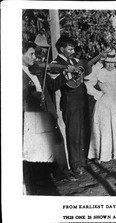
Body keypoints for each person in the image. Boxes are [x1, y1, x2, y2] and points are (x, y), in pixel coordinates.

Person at [22, 41, 72, 194]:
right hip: (32, 115)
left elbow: (52, 86)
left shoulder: (35, 70)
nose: (34, 58)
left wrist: (65, 74)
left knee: (56, 140)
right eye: (31, 54)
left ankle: (60, 173)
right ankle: (40, 182)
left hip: (45, 111)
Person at [48, 35, 90, 176]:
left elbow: (85, 71)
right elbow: (52, 85)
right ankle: (75, 165)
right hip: (70, 102)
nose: (73, 51)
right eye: (70, 49)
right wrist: (66, 74)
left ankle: (83, 161)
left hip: (82, 99)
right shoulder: (55, 63)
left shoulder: (74, 60)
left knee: (83, 131)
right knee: (73, 133)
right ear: (62, 49)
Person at [85, 50, 116, 162]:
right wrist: (98, 94)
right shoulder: (99, 72)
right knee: (104, 126)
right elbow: (88, 83)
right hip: (104, 102)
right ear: (104, 62)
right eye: (107, 62)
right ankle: (102, 153)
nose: (110, 65)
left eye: (113, 62)